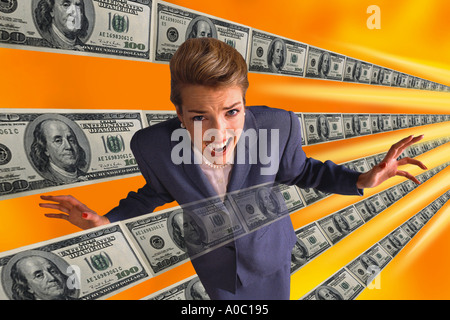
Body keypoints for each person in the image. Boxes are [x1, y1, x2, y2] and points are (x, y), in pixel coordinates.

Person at [39, 37, 427, 300]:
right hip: (214, 263)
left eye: (231, 112)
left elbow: (300, 172)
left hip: (271, 254)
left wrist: (361, 179)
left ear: (245, 101)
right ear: (177, 113)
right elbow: (154, 193)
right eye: (199, 117)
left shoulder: (279, 125)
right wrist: (106, 223)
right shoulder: (152, 145)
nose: (218, 133)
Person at [29, 118, 88, 185]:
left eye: (71, 140)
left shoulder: (86, 176)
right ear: (45, 149)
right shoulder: (44, 180)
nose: (68, 146)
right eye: (58, 141)